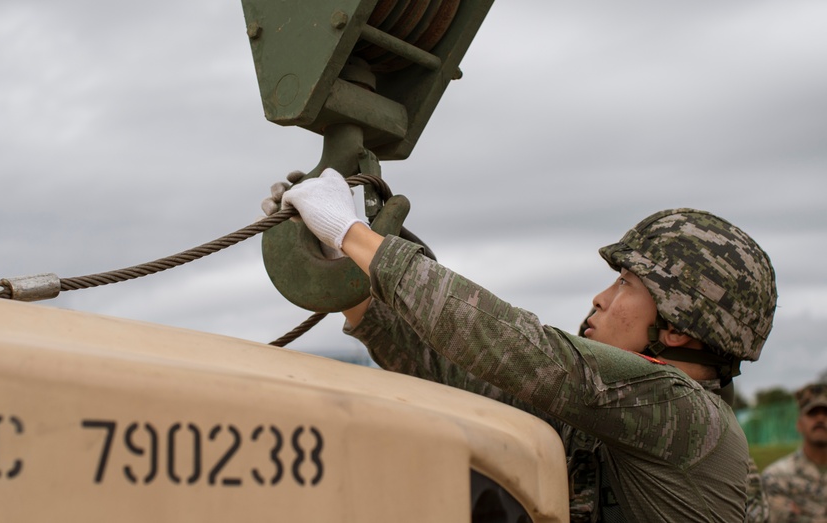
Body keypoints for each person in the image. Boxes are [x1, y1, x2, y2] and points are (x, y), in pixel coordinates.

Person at [268, 168, 778, 522]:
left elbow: (519, 348)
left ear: (678, 327)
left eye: (625, 283)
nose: (600, 299)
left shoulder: (683, 413)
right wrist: (344, 276)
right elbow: (446, 368)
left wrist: (348, 230)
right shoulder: (609, 419)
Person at [761, 382, 827, 522]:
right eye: (813, 413)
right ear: (799, 424)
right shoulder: (776, 477)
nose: (821, 419)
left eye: (826, 413)